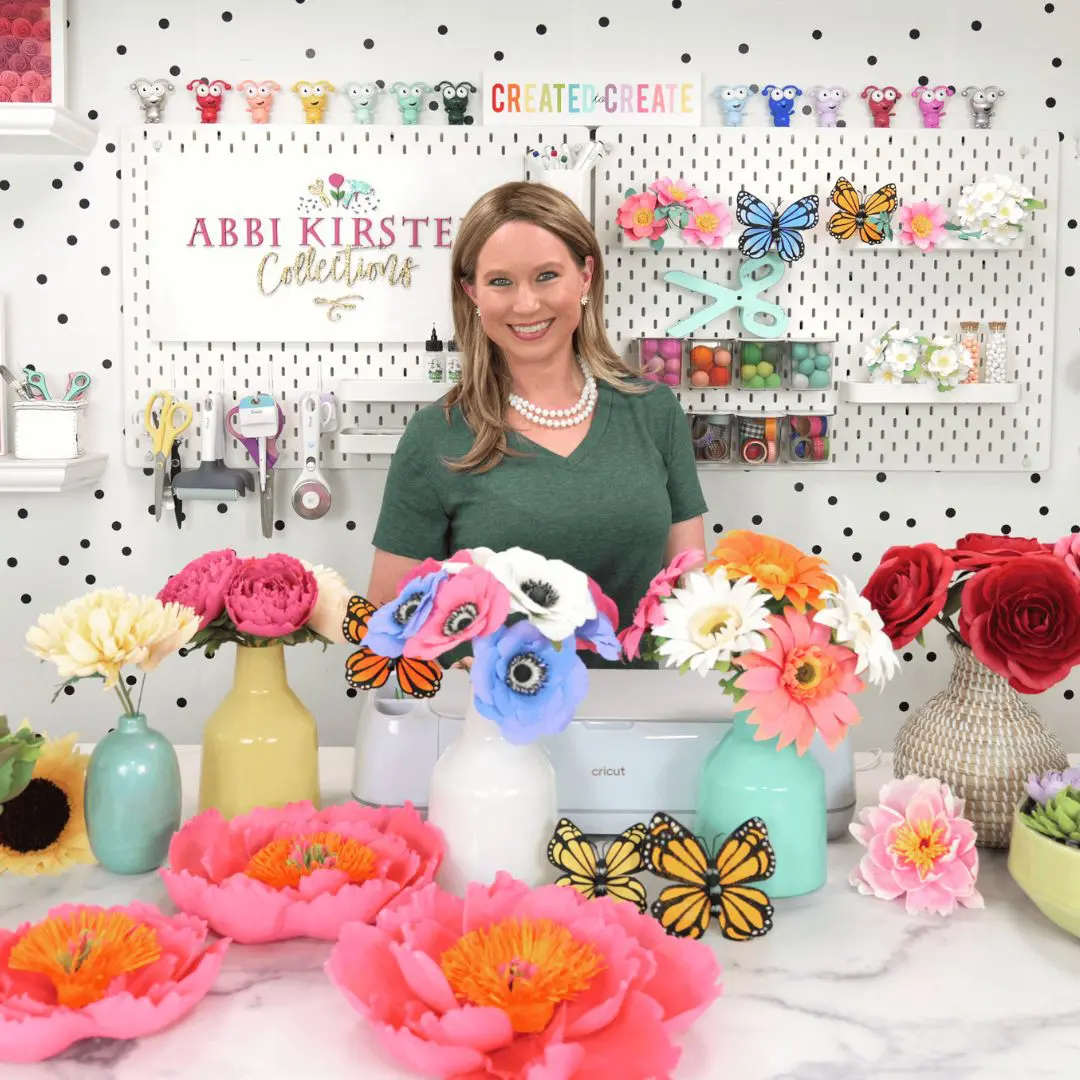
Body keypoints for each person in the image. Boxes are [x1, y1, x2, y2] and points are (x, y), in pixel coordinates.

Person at [366, 180, 707, 666]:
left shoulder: (653, 411)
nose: (525, 304)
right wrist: (449, 665)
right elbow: (388, 614)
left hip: (637, 719)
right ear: (472, 292)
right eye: (500, 281)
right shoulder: (435, 437)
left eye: (547, 275)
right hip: (492, 729)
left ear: (586, 276)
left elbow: (689, 589)